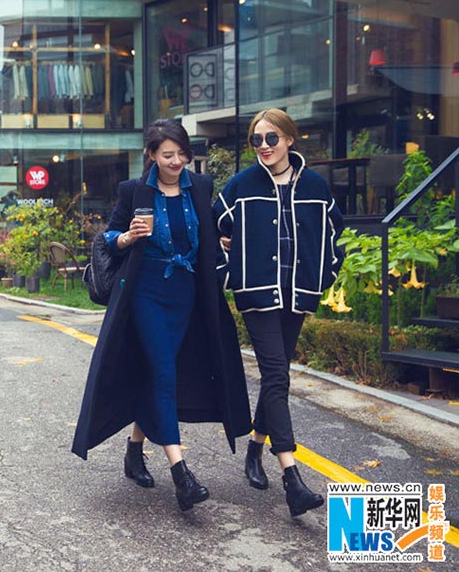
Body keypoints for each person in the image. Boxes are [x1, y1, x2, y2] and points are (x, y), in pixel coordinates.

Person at [72, 119, 252, 512]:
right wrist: (127, 237)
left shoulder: (200, 186)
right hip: (147, 292)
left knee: (160, 373)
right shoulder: (135, 191)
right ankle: (181, 473)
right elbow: (108, 238)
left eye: (181, 154)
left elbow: (208, 232)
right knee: (164, 372)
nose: (176, 161)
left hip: (187, 293)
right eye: (167, 155)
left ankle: (134, 451)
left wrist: (222, 244)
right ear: (152, 155)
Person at [214, 108, 345, 517]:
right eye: (257, 140)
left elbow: (336, 236)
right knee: (275, 374)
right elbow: (212, 231)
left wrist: (325, 276)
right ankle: (292, 477)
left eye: (272, 138)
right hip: (257, 295)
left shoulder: (316, 187)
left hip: (298, 295)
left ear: (289, 139)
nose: (264, 146)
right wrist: (229, 270)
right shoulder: (241, 186)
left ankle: (255, 448)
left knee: (278, 374)